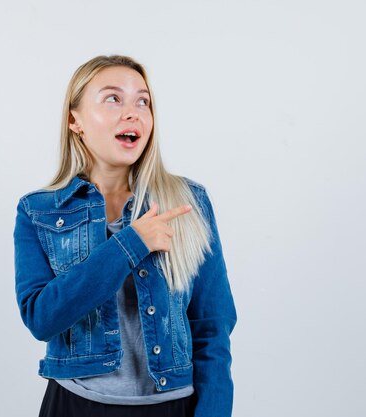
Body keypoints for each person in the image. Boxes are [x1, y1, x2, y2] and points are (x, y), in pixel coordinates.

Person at [13, 54, 237, 417]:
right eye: (113, 98)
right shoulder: (38, 211)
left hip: (172, 406)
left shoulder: (188, 201)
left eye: (143, 101)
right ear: (75, 120)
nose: (132, 112)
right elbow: (42, 319)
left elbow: (213, 325)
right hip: (75, 405)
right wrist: (131, 243)